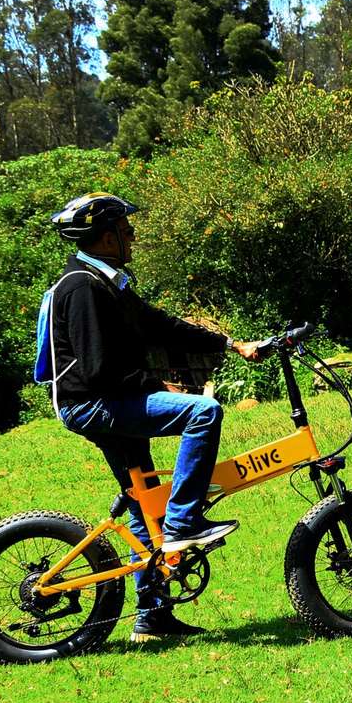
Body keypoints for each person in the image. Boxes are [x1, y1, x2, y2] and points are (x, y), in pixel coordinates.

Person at [43, 192, 265, 642]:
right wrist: (155, 386)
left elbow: (162, 324)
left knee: (146, 504)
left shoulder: (108, 283)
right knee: (204, 412)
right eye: (125, 230)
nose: (132, 236)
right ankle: (184, 525)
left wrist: (230, 345)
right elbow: (97, 369)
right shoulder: (83, 286)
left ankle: (153, 615)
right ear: (106, 238)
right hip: (93, 403)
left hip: (106, 399)